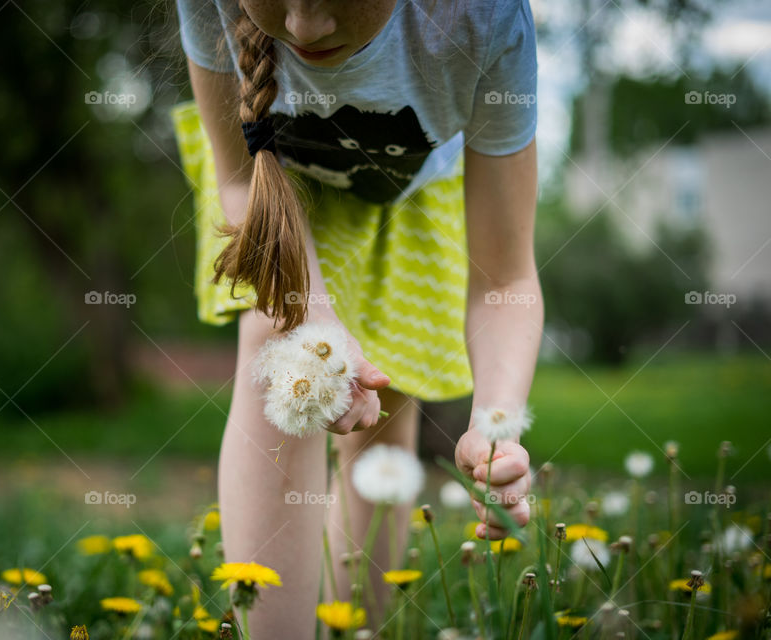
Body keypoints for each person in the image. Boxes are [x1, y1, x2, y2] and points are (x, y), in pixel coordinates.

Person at [171, 0, 542, 635]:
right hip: (271, 189)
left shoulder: (486, 21)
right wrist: (312, 325)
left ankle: (356, 628)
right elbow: (238, 184)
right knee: (284, 353)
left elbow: (505, 279)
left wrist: (496, 425)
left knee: (383, 401)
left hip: (414, 196)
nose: (305, 27)